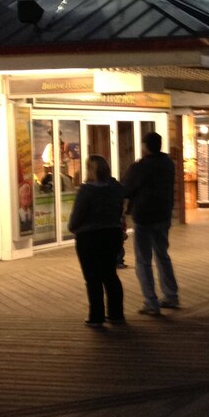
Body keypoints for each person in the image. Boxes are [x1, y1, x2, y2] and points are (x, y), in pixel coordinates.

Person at [123, 132, 179, 315]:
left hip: (144, 217)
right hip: (163, 215)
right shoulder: (168, 164)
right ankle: (171, 295)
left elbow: (127, 189)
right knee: (162, 255)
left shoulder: (140, 167)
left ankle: (151, 302)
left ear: (145, 146)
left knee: (143, 260)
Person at [68, 155, 125, 327]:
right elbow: (119, 208)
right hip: (112, 234)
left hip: (89, 237)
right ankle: (116, 314)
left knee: (92, 277)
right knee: (110, 275)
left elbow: (77, 216)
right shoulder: (115, 188)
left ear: (89, 170)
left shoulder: (86, 191)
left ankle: (96, 316)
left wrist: (73, 227)